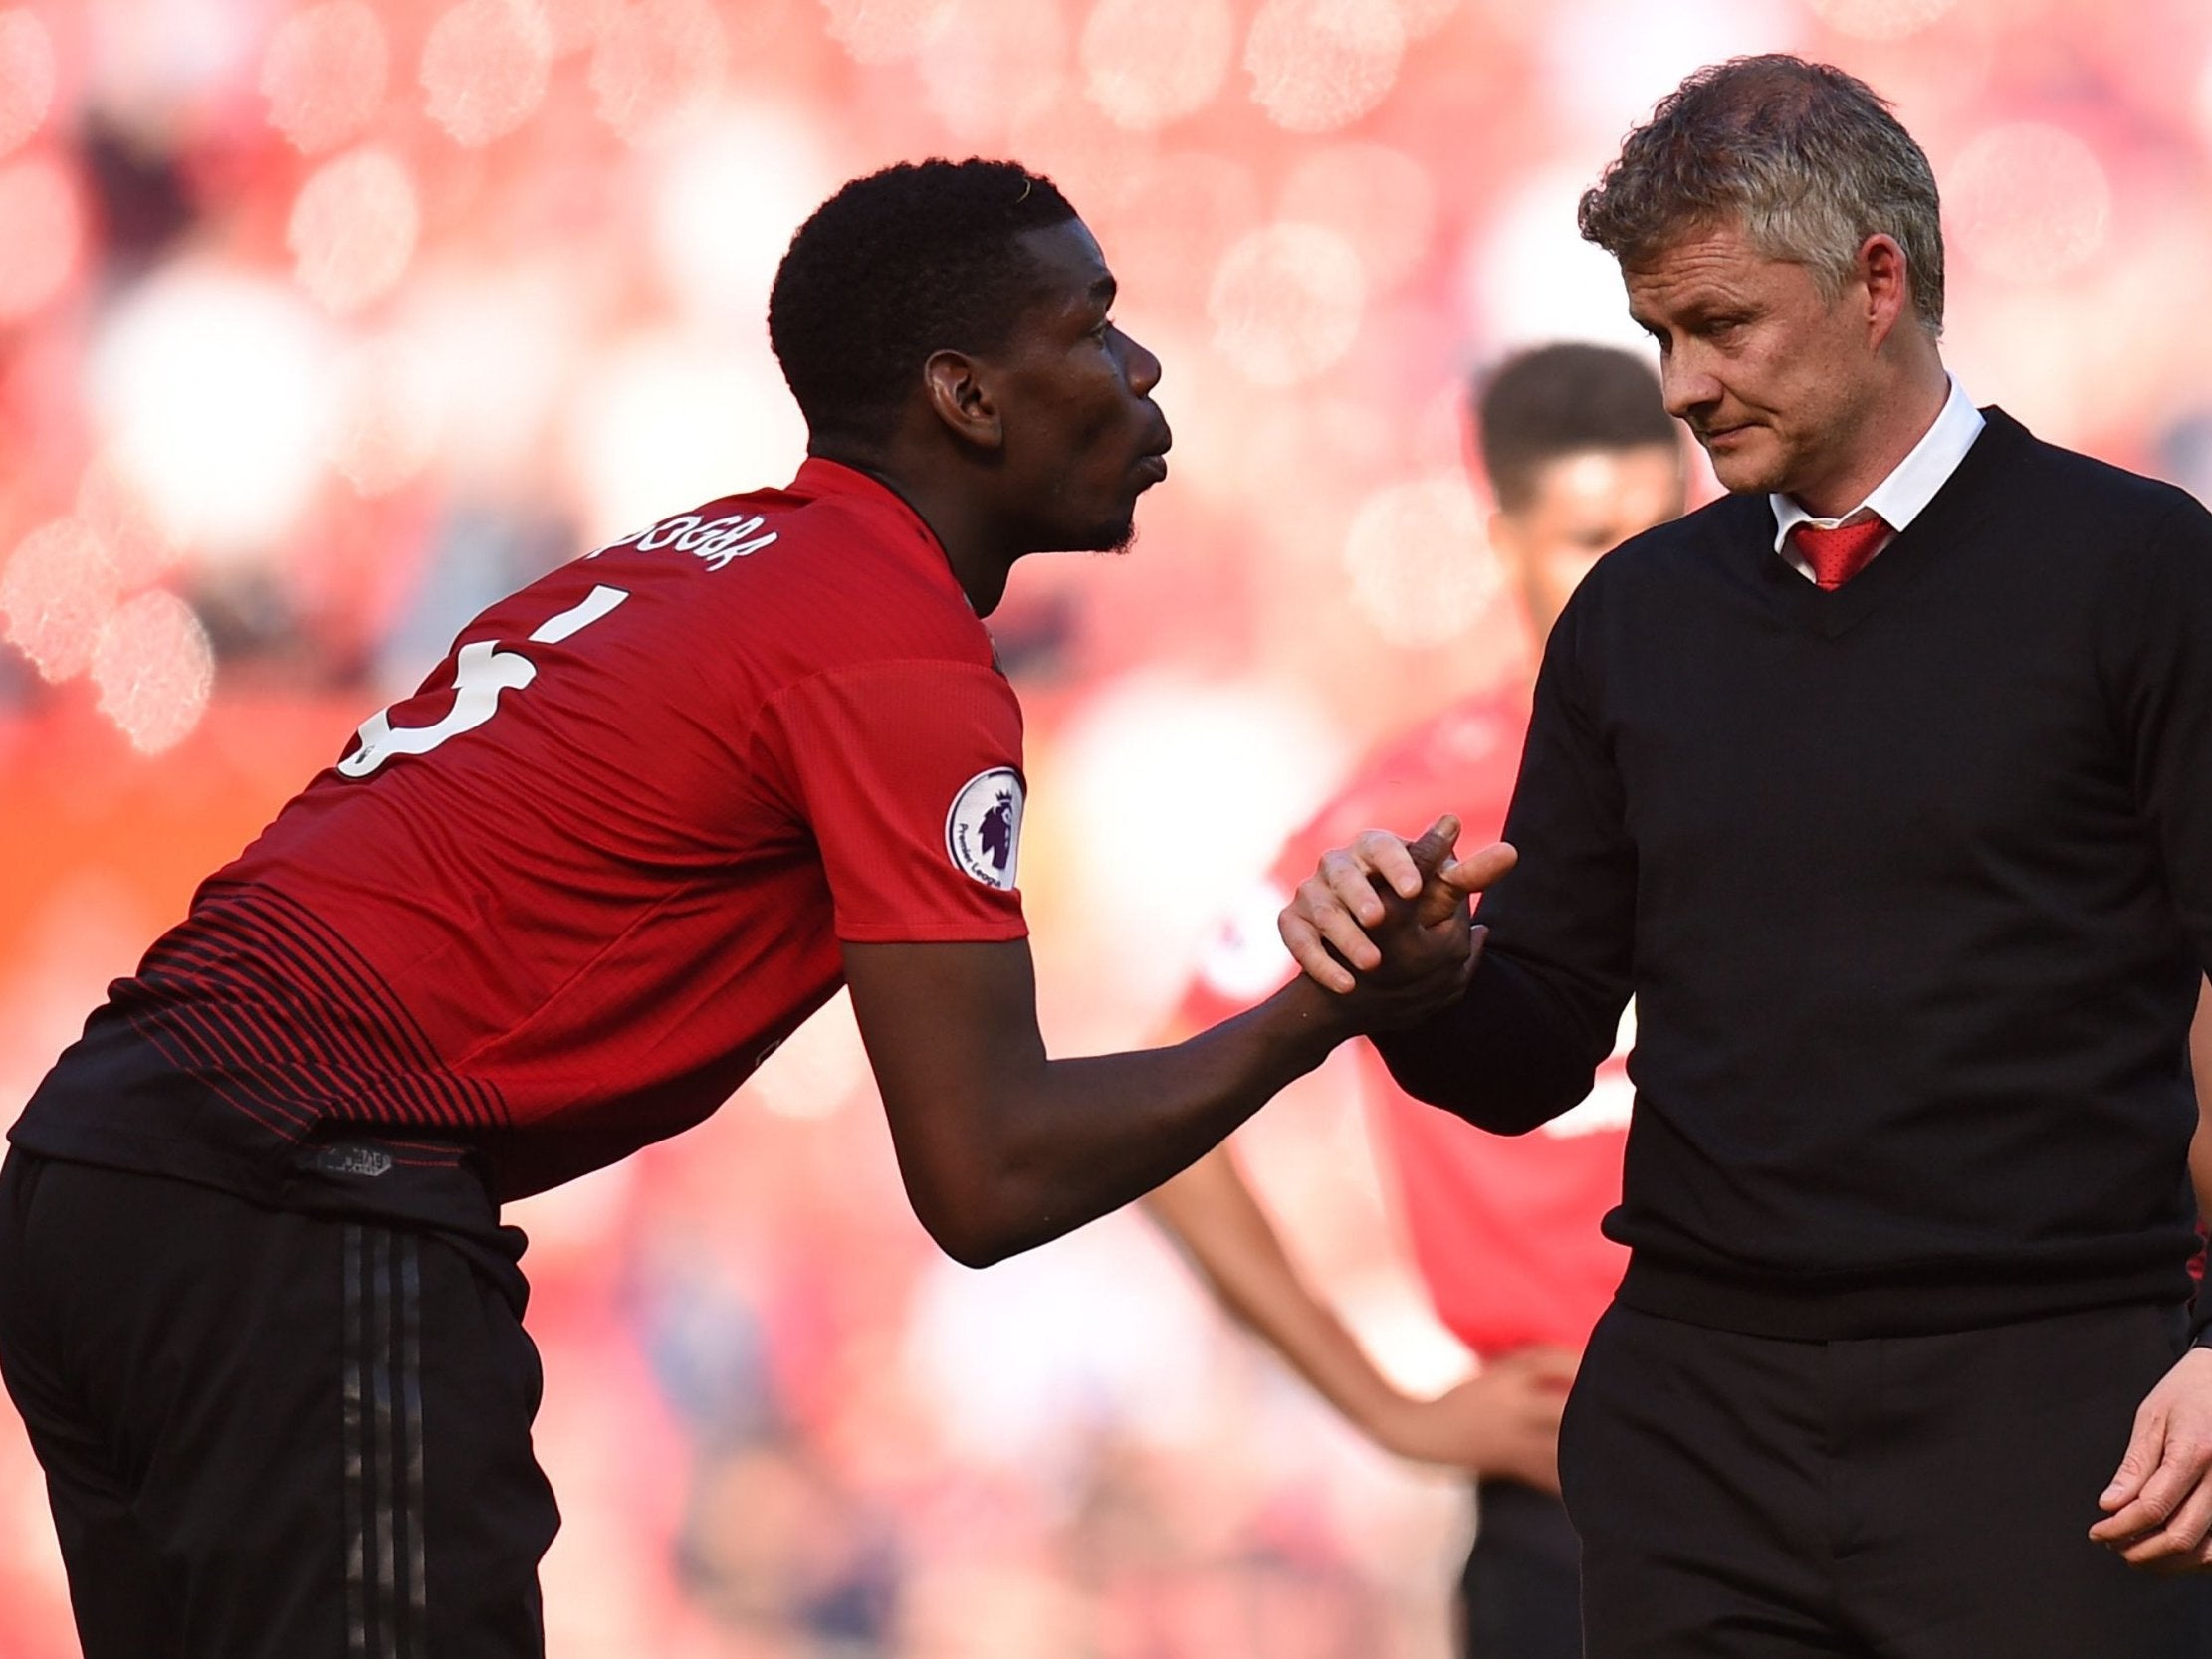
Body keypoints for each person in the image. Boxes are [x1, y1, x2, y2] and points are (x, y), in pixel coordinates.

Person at [0, 158, 1500, 1659]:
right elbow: (987, 1176)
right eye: (1091, 326)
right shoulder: (891, 645)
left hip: (96, 1167)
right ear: (966, 400)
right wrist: (1325, 1012)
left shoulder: (693, 558)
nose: (1140, 366)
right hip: (295, 1192)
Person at [1278, 56, 2212, 1659]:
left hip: (2061, 1419)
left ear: (1876, 281)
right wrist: (1416, 981)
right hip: (1696, 1437)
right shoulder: (1631, 619)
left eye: (1718, 326)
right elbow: (1535, 1043)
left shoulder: (2137, 575)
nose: (1679, 388)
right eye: (1656, 334)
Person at [1143, 342, 1682, 1659]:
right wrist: (1382, 1407)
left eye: (1671, 530)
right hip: (1566, 1500)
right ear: (1502, 543)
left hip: (1828, 1446)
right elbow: (1171, 1100)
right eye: (1592, 539)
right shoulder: (1418, 812)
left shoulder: (1806, 763)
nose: (1639, 578)